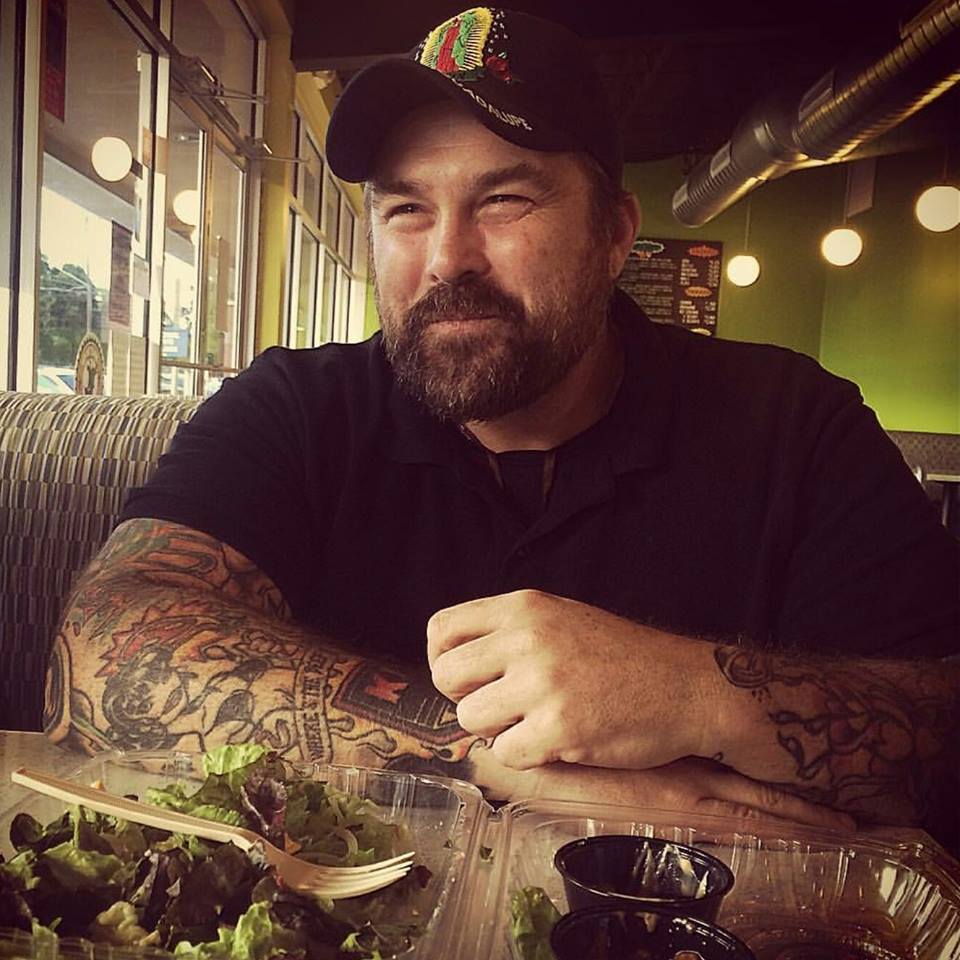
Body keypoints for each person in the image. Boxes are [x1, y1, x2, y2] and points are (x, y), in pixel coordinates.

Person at [45, 7, 958, 848]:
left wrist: (692, 691)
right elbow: (100, 653)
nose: (448, 258)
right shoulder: (296, 408)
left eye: (504, 201)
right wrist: (492, 759)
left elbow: (944, 729)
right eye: (407, 209)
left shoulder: (792, 423)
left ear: (614, 236)